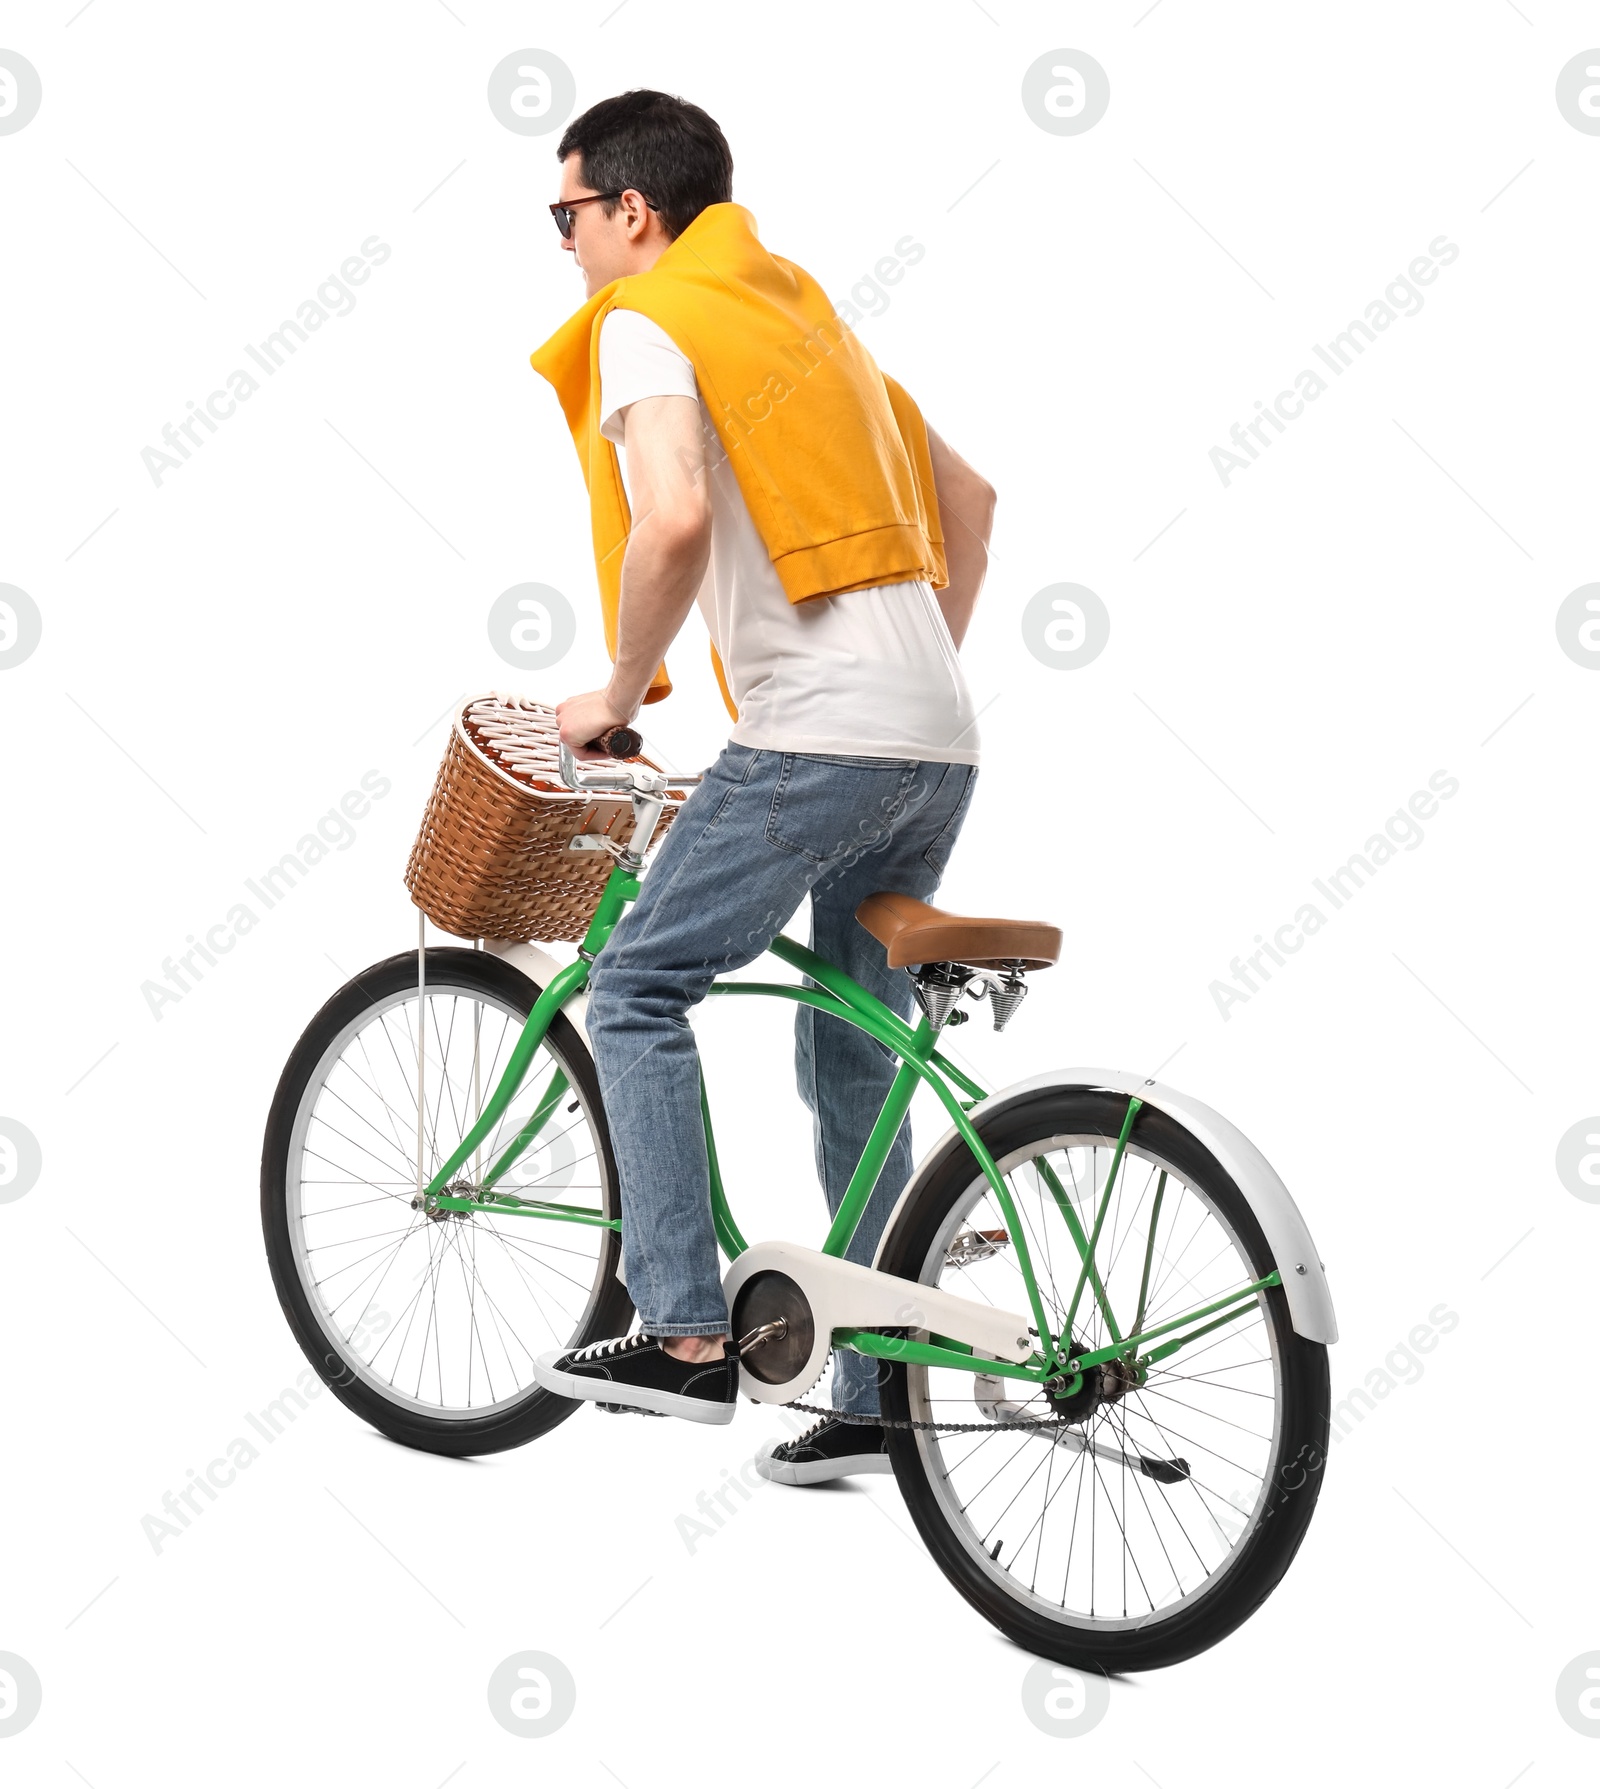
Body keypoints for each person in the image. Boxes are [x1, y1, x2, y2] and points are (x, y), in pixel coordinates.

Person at [527, 90, 995, 1485]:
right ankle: (869, 1389)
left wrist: (617, 695)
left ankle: (680, 1337)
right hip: (939, 735)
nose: (565, 247)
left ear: (633, 211)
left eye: (567, 217)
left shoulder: (653, 315)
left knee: (633, 988)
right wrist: (894, 688)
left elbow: (669, 515)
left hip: (819, 737)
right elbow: (971, 504)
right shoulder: (806, 322)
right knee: (855, 1047)